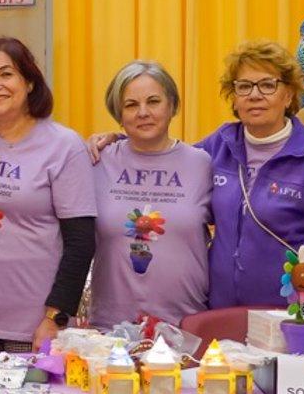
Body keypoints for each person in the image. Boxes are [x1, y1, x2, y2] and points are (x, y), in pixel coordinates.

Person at [90, 42, 304, 321]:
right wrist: (118, 141)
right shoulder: (218, 147)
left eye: (268, 85)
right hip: (219, 318)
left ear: (289, 94)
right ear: (234, 98)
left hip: (290, 317)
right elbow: (164, 155)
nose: (255, 95)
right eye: (244, 86)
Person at [0, 37, 95, 352]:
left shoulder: (64, 146)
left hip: (37, 324)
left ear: (30, 83)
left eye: (6, 74)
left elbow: (81, 242)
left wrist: (56, 317)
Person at [87, 61, 211, 329]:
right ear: (119, 114)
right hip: (110, 327)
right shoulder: (96, 161)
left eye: (153, 101)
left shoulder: (202, 164)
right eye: (131, 105)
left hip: (186, 325)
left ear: (172, 106)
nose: (143, 112)